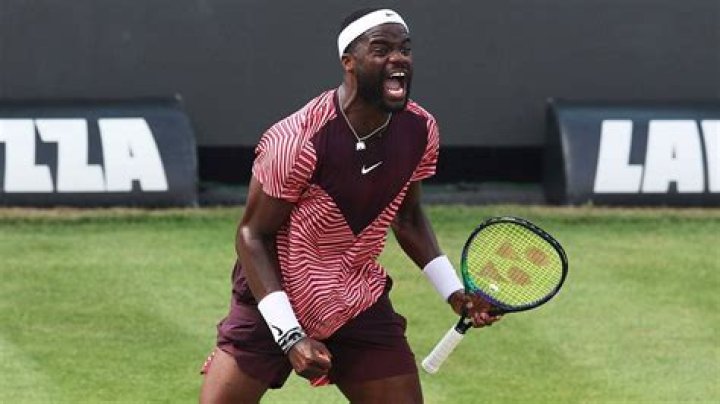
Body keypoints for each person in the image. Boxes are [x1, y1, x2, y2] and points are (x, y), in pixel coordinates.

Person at [199, 8, 501, 403]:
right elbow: (252, 235)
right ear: (349, 62)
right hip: (273, 299)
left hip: (354, 299)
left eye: (405, 49)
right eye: (381, 49)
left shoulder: (421, 129)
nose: (398, 59)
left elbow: (407, 217)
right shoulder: (297, 140)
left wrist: (455, 293)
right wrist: (289, 335)